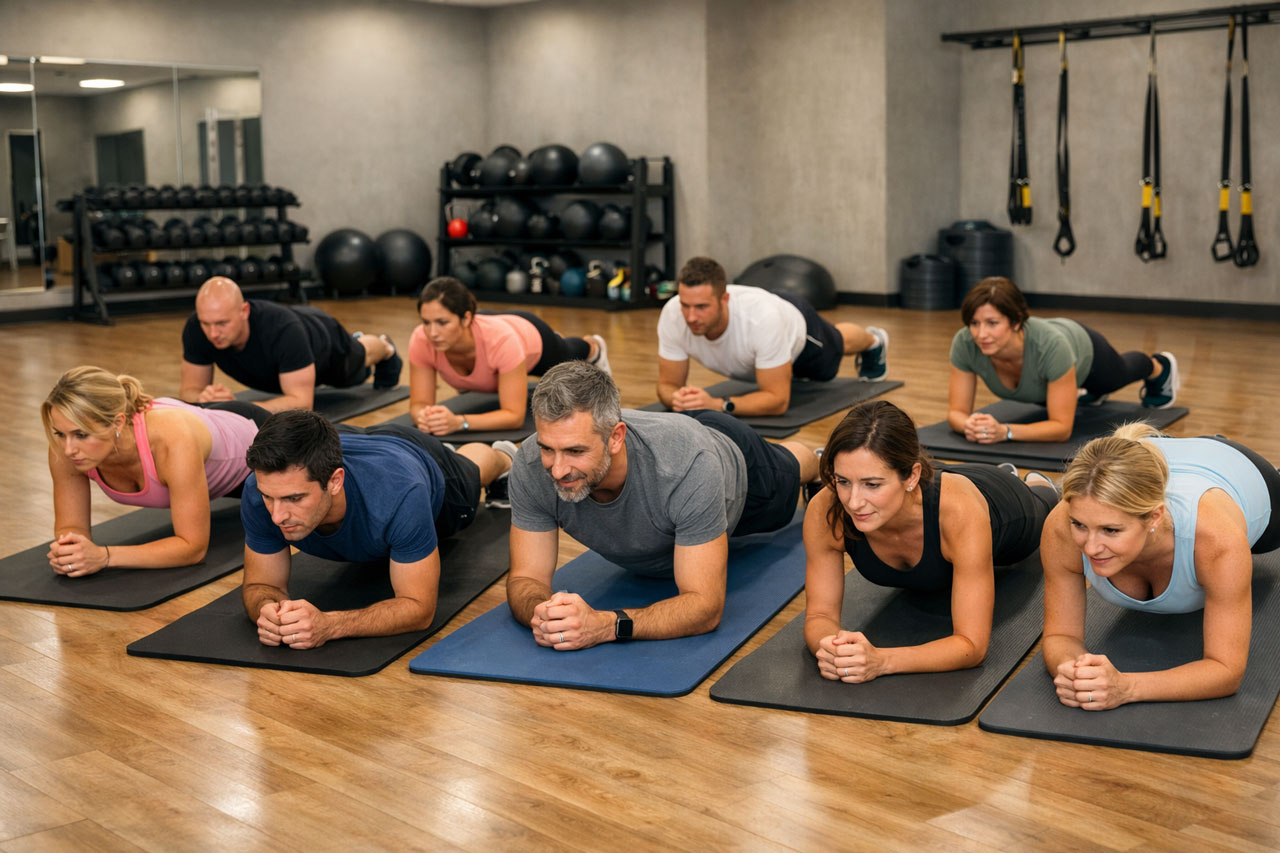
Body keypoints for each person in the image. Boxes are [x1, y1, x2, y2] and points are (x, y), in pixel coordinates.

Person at [505, 360, 820, 649]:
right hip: (671, 436)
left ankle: (817, 460)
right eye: (548, 448)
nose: (557, 470)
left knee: (790, 469)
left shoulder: (688, 467)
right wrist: (543, 612)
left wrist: (604, 625)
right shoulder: (532, 464)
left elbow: (704, 607)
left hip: (736, 463)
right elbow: (525, 578)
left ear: (615, 438)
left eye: (575, 451)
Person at [803, 400, 1057, 682]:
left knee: (1047, 508)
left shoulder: (959, 513)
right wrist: (831, 648)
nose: (854, 502)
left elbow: (972, 647)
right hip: (925, 487)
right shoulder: (827, 510)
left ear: (911, 475)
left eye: (872, 485)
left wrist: (882, 661)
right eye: (843, 481)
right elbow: (819, 616)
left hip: (1004, 506)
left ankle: (1037, 486)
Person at [1040, 423, 1280, 709]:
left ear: (1154, 518)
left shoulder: (1217, 541)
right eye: (1080, 525)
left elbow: (1226, 670)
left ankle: (1213, 442)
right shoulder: (1061, 527)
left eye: (1111, 530)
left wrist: (1126, 688)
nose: (1090, 547)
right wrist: (1075, 672)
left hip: (1238, 469)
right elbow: (1060, 636)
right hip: (1154, 460)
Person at [239, 410, 517, 649]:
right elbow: (261, 585)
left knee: (472, 470)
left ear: (335, 482)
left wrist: (330, 625)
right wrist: (268, 610)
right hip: (357, 443)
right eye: (269, 497)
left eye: (294, 499)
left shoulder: (401, 495)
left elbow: (419, 608)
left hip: (418, 462)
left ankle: (500, 455)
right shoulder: (261, 490)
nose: (277, 516)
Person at [42, 365, 269, 574]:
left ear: (118, 423)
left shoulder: (170, 439)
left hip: (254, 441)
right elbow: (70, 526)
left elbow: (193, 549)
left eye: (81, 435)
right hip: (198, 427)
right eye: (60, 434)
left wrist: (104, 556)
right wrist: (72, 551)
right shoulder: (65, 449)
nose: (69, 449)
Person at [948, 276, 1178, 444]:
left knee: (1118, 375)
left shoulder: (1052, 347)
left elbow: (1061, 429)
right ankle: (1086, 391)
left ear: (1016, 322)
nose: (981, 334)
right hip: (1058, 364)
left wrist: (1005, 431)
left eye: (992, 323)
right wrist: (968, 425)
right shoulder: (965, 343)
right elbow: (956, 412)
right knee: (1060, 391)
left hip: (1085, 349)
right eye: (974, 323)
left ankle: (1158, 366)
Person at [656, 256, 889, 417]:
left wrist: (718, 404)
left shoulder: (763, 320)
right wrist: (679, 399)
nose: (691, 316)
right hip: (767, 324)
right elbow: (667, 385)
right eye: (685, 305)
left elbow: (778, 401)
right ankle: (782, 368)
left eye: (701, 307)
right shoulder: (673, 314)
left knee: (837, 343)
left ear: (724, 300)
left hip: (796, 325)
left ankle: (874, 340)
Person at [409, 276, 611, 435]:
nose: (432, 332)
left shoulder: (503, 341)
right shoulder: (421, 339)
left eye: (442, 323)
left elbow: (514, 417)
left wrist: (459, 422)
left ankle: (594, 347)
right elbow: (419, 404)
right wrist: (425, 417)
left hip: (530, 335)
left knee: (567, 353)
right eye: (426, 322)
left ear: (465, 318)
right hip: (489, 331)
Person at [179, 277, 404, 412]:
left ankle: (384, 345)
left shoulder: (283, 331)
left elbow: (302, 403)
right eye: (205, 323)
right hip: (292, 335)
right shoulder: (197, 328)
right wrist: (203, 398)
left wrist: (236, 409)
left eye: (222, 323)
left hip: (324, 342)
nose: (212, 333)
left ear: (244, 311)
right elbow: (189, 390)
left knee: (358, 362)